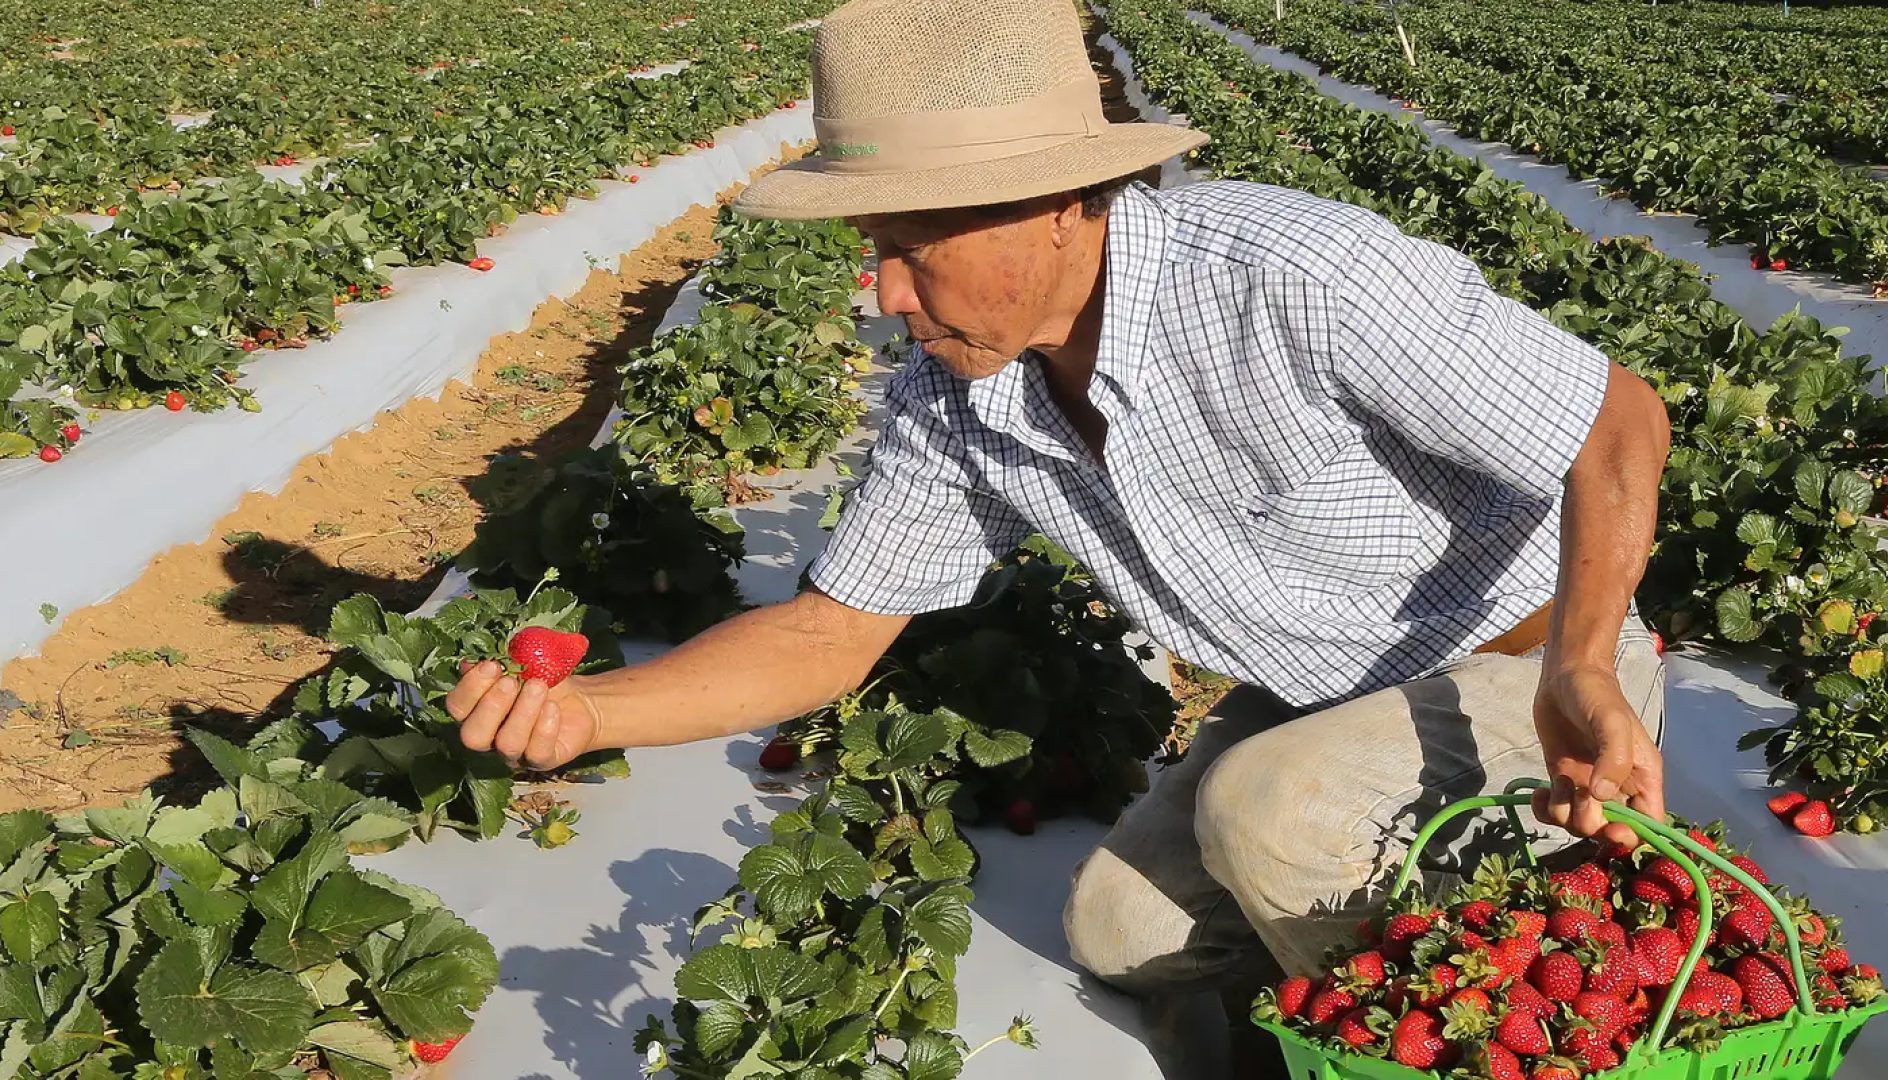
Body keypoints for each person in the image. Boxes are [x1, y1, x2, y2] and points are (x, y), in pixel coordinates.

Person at [447, 0, 1669, 1069]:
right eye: (874, 254)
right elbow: (828, 635)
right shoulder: (958, 396)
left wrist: (1580, 664)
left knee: (1271, 814)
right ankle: (1324, 1014)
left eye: (915, 250)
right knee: (1122, 930)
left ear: (1062, 205)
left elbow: (1617, 423)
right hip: (1324, 695)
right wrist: (593, 714)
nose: (885, 295)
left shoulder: (1292, 274)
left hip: (1526, 674)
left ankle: (1483, 1031)